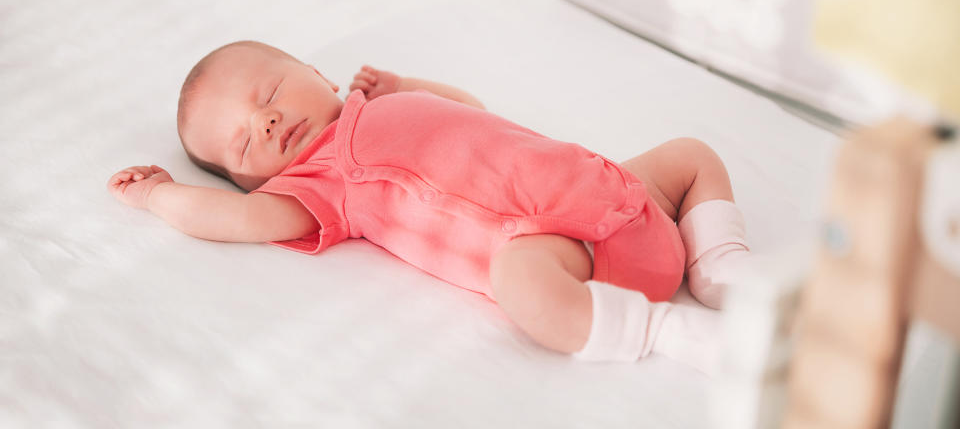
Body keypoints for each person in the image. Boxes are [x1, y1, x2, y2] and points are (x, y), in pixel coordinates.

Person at [107, 40, 750, 374]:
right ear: (253, 183)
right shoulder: (319, 184)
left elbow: (469, 109)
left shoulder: (380, 103)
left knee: (690, 154)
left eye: (268, 93)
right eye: (246, 142)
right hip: (562, 250)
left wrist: (408, 86)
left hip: (617, 189)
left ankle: (721, 264)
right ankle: (660, 331)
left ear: (316, 71)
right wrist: (159, 195)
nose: (269, 120)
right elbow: (239, 220)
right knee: (517, 282)